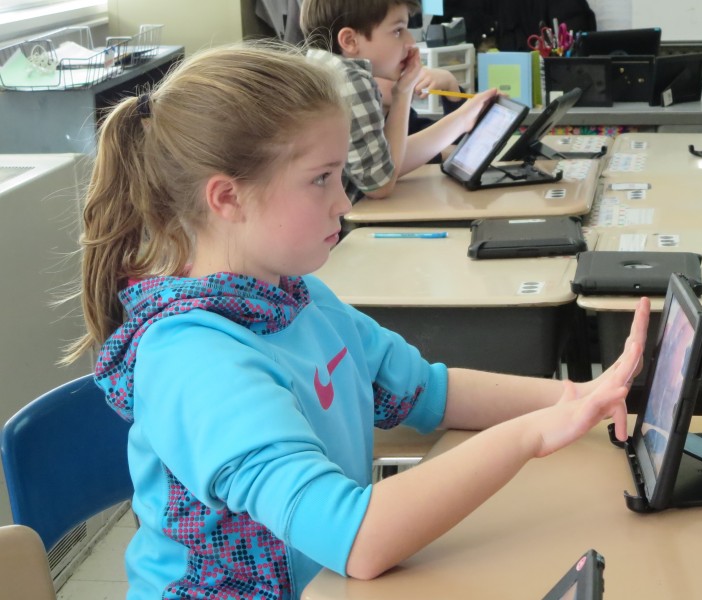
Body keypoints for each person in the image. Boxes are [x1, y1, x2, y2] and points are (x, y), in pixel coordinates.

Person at [62, 43, 650, 598]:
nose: (344, 202)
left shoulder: (296, 298)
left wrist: (579, 399)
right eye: (321, 179)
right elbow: (357, 537)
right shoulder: (194, 358)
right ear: (227, 198)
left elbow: (430, 392)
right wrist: (530, 436)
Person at [300, 0, 498, 202]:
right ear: (350, 41)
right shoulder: (351, 80)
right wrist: (405, 95)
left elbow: (386, 162)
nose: (411, 41)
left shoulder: (323, 67)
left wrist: (405, 91)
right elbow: (379, 186)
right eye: (397, 31)